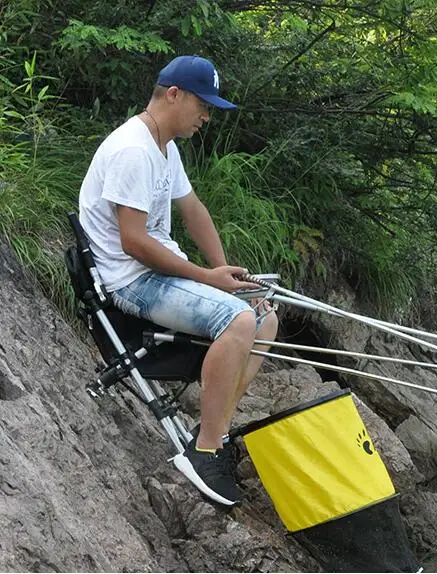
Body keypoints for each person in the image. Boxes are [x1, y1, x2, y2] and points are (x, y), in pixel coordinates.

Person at [78, 55, 278, 506]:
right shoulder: (133, 149)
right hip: (130, 282)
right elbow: (133, 242)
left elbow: (194, 211)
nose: (206, 117)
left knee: (264, 317)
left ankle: (215, 432)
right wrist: (208, 278)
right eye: (202, 105)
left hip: (158, 272)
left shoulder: (165, 146)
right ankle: (203, 451)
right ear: (173, 95)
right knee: (240, 323)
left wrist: (228, 274)